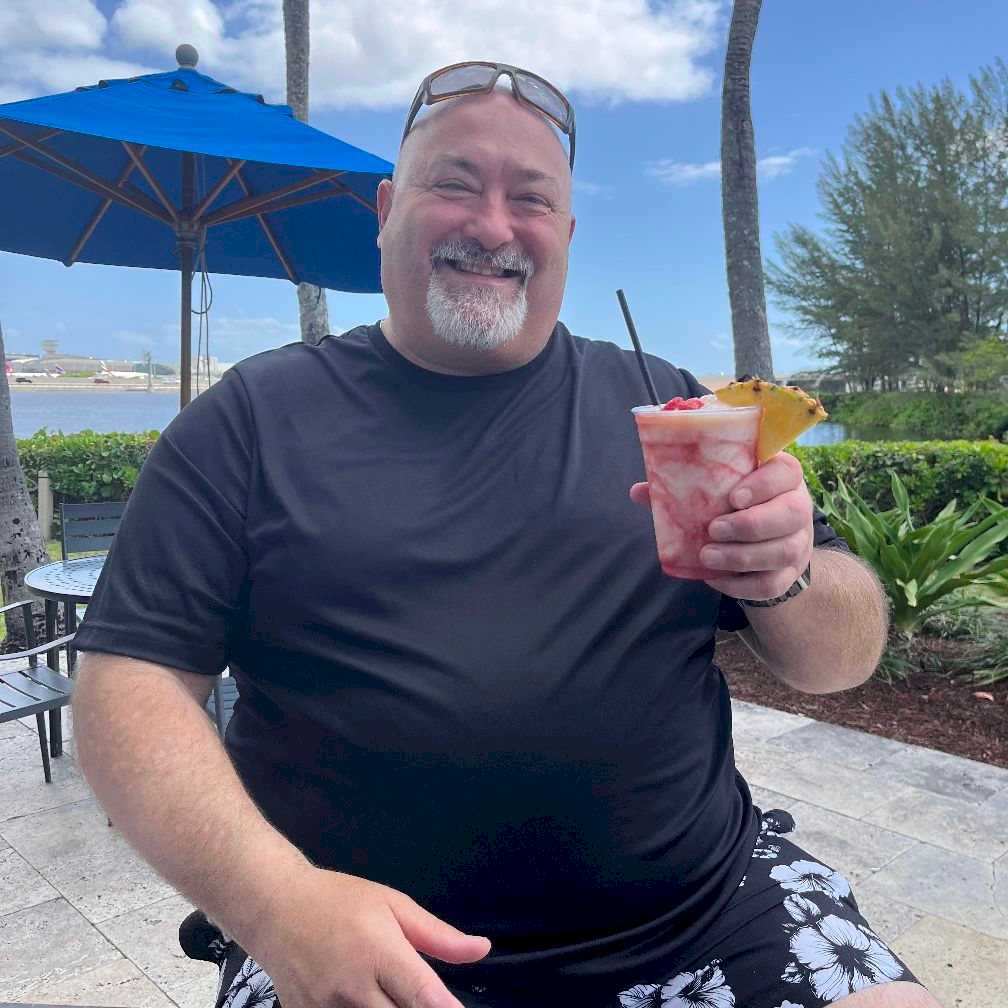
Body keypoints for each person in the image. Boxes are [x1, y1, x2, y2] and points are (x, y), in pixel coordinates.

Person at [72, 62, 940, 1008]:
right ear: (386, 210)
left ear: (565, 234)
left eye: (531, 199)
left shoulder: (676, 412)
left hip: (711, 915)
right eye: (455, 184)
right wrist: (275, 903)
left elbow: (838, 666)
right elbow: (128, 688)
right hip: (352, 941)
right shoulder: (251, 421)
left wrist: (788, 576)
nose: (492, 227)